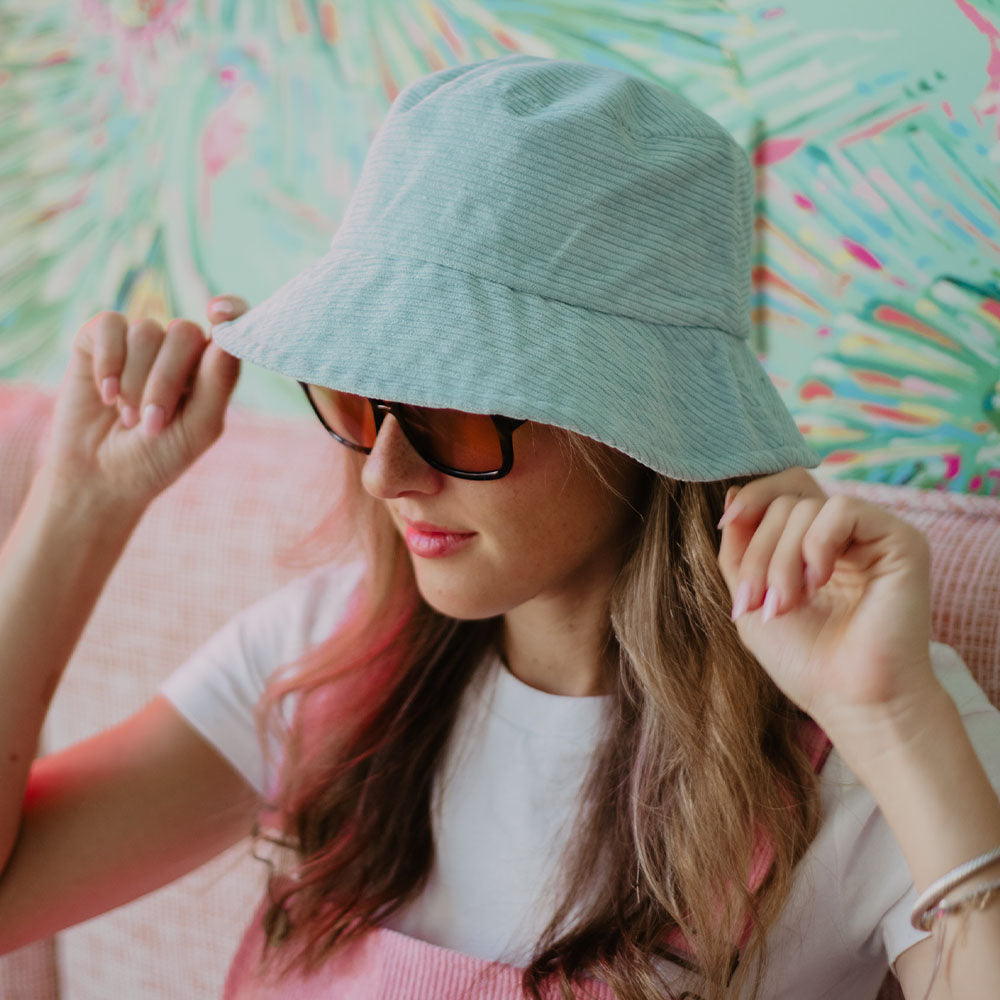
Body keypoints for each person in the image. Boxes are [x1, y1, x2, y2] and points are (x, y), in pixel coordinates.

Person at [1, 53, 998, 1000]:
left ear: (636, 419)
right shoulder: (322, 656)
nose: (386, 473)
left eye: (452, 414)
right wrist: (78, 508)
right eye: (359, 401)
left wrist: (893, 720)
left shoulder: (863, 719)